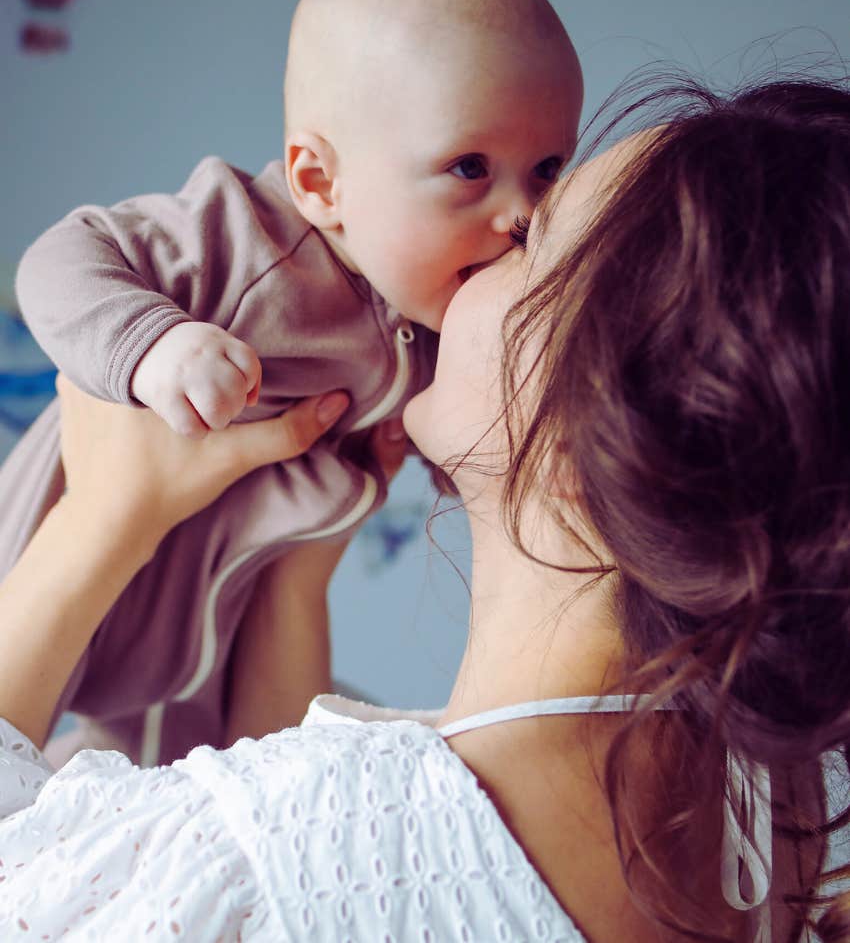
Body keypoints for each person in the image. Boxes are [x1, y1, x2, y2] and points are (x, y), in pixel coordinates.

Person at [2, 74, 849, 942]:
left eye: (528, 241)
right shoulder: (782, 827)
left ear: (591, 431)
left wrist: (99, 525)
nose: (469, 254)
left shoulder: (275, 849)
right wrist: (302, 554)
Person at [0, 0, 583, 766]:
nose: (520, 213)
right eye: (470, 167)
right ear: (319, 182)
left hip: (208, 636)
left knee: (203, 792)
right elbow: (60, 259)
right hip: (44, 574)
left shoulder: (434, 314)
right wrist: (153, 346)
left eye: (548, 170)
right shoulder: (243, 237)